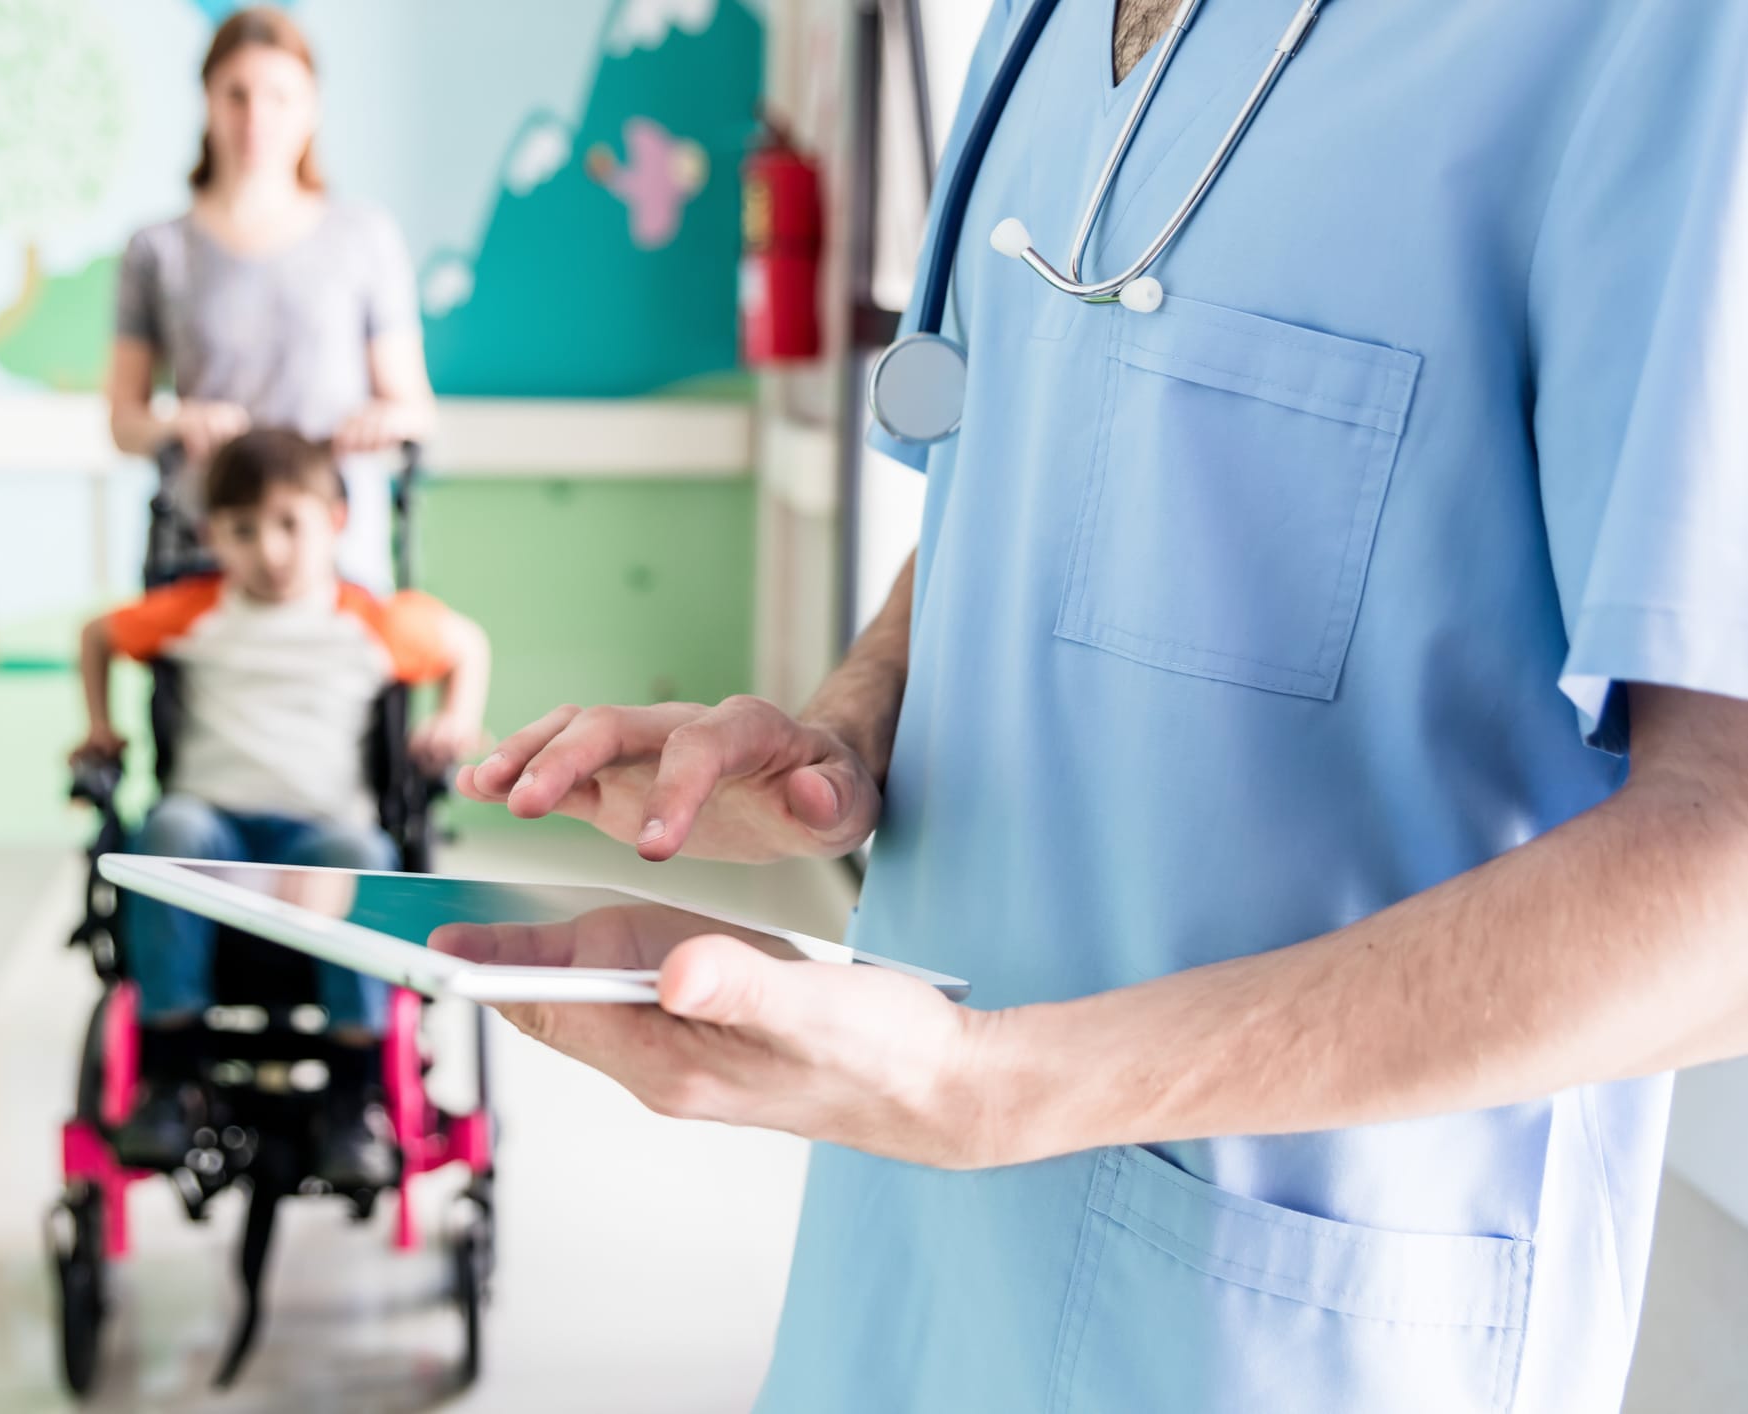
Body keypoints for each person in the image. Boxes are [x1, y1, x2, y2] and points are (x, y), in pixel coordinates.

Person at [454, 1, 1748, 1409]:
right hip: (909, 1270)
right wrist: (847, 728)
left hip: (1279, 1325)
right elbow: (1040, 445)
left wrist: (1003, 1083)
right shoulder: (1047, 24)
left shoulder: (1664, 42)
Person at [75, 428, 488, 1182]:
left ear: (334, 520)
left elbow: (467, 643)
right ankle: (171, 1080)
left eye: (288, 524)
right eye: (241, 531)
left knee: (365, 856)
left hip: (324, 834)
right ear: (209, 536)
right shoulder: (191, 611)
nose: (268, 550)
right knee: (165, 831)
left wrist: (454, 716)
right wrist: (99, 725)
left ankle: (353, 1097)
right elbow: (97, 636)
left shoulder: (374, 620)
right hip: (213, 827)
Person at [106, 5, 433, 592]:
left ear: (312, 107)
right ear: (207, 102)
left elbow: (415, 408)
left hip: (336, 555)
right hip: (209, 546)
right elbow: (124, 423)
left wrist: (380, 422)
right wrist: (180, 421)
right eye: (237, 94)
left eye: (279, 96)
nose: (256, 116)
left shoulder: (365, 238)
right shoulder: (156, 250)